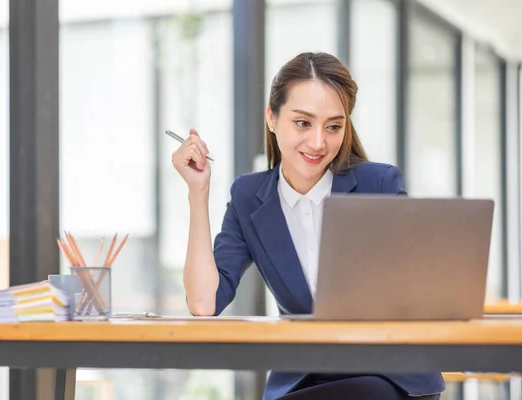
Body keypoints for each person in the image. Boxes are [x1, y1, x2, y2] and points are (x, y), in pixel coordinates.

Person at [171, 52, 444, 400]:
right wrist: (198, 193)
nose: (318, 142)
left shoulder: (379, 183)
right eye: (303, 123)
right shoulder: (248, 196)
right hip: (305, 379)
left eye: (333, 126)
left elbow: (417, 286)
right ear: (272, 117)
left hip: (387, 377)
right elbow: (204, 303)